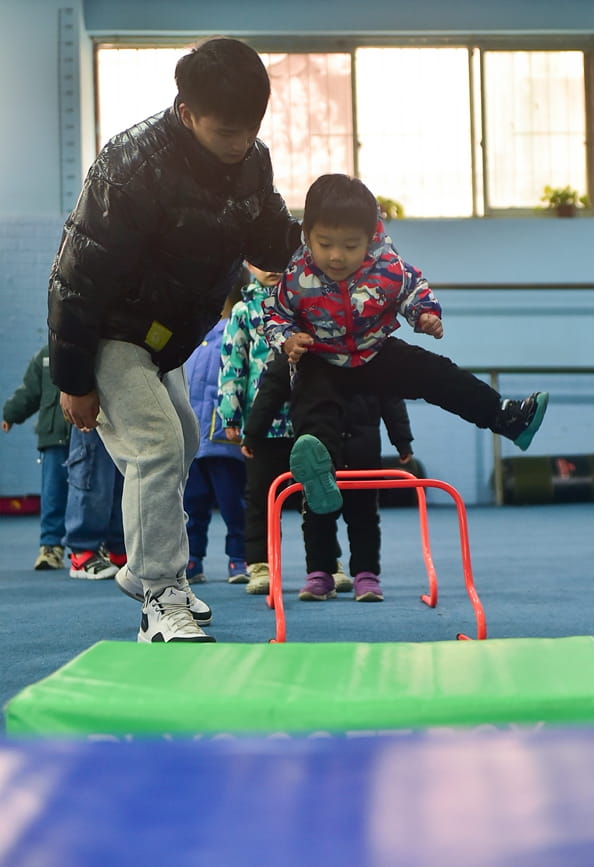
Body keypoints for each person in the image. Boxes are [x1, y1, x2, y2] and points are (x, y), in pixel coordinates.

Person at [47, 38, 301, 643]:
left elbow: (269, 240)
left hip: (167, 338)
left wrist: (323, 247)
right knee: (157, 446)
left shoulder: (252, 158)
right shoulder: (131, 166)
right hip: (111, 329)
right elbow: (77, 277)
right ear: (186, 112)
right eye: (224, 131)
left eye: (251, 129)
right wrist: (74, 380)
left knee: (184, 438)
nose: (240, 143)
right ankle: (160, 597)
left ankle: (146, 572)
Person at [263, 173, 549, 516]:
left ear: (369, 239)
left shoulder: (387, 267)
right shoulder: (295, 274)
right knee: (313, 404)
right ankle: (320, 478)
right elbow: (275, 314)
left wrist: (424, 314)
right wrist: (288, 339)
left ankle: (506, 418)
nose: (337, 256)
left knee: (436, 373)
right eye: (325, 244)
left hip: (374, 351)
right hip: (321, 357)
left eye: (350, 246)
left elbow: (414, 288)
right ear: (308, 235)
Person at [242, 353, 414, 602]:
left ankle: (366, 575)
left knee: (364, 511)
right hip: (317, 438)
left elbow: (391, 396)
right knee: (316, 510)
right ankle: (320, 573)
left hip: (362, 440)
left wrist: (402, 439)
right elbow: (272, 388)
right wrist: (254, 433)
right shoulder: (299, 350)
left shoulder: (370, 352)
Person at [218, 261, 303, 595]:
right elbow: (232, 363)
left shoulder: (304, 303)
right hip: (262, 422)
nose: (271, 268)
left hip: (306, 417)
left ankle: (324, 564)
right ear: (248, 265)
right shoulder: (243, 310)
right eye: (261, 262)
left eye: (279, 260)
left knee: (317, 494)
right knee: (260, 498)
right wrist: (231, 415)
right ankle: (260, 564)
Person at [183, 277, 247, 585]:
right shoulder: (196, 333)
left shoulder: (237, 328)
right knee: (193, 503)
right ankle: (193, 559)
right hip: (194, 440)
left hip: (224, 438)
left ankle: (239, 558)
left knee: (233, 503)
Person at [2, 345, 70, 570]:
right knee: (53, 493)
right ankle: (51, 547)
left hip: (90, 436)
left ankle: (100, 547)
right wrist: (11, 414)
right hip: (53, 437)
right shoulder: (44, 356)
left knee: (96, 495)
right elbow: (30, 391)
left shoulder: (95, 347)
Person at [63, 427, 126, 580]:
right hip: (94, 408)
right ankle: (82, 551)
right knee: (92, 466)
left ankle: (119, 549)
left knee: (122, 473)